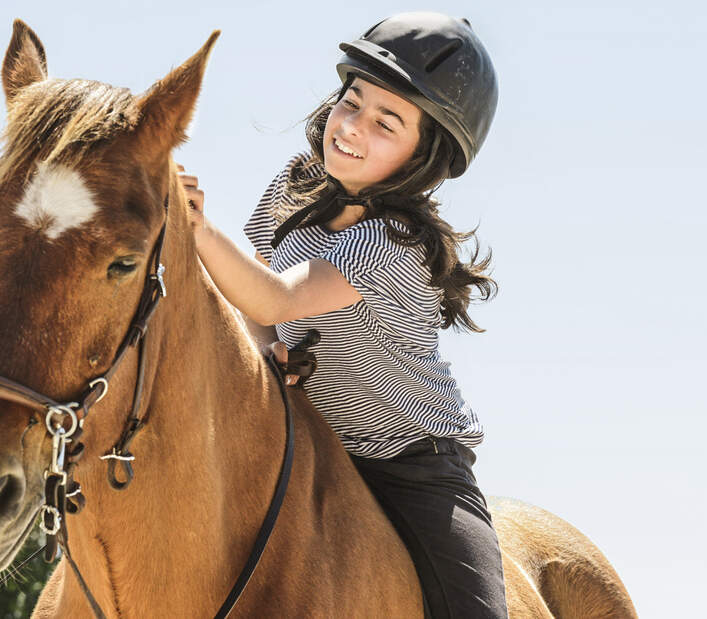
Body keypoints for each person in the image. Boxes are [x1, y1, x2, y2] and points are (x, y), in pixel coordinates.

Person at [182, 12, 506, 618]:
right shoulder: (294, 187)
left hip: (410, 465)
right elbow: (255, 296)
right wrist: (269, 350)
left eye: (386, 123)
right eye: (351, 102)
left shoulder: (393, 241)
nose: (352, 127)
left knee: (475, 610)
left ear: (425, 156)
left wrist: (196, 226)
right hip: (304, 438)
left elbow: (275, 296)